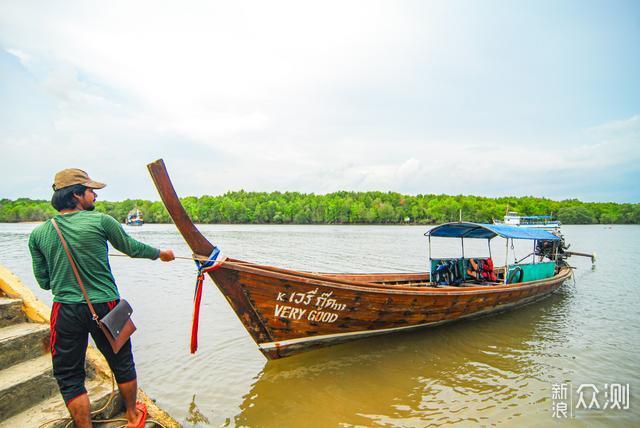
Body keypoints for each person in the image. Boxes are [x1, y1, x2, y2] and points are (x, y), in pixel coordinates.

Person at [28, 168, 175, 428]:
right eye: (90, 190)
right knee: (122, 361)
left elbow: (44, 282)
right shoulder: (101, 222)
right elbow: (131, 248)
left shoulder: (39, 234)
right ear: (76, 194)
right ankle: (132, 417)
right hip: (105, 305)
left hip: (65, 309)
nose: (95, 195)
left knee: (69, 374)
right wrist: (161, 253)